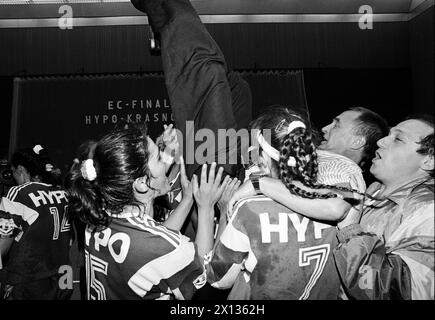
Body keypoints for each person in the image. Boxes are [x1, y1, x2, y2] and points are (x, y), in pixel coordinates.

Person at [206, 107, 358, 299]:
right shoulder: (339, 196)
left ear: (264, 157)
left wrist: (224, 213)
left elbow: (218, 279)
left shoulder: (249, 209)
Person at [65, 125, 229, 300]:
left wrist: (187, 198)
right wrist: (209, 208)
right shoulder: (160, 246)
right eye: (159, 157)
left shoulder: (98, 217)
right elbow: (206, 283)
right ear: (141, 184)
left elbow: (156, 238)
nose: (165, 162)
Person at [334, 114, 434, 300]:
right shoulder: (372, 193)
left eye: (398, 139)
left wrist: (350, 231)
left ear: (429, 161)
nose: (380, 141)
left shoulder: (426, 211)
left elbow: (400, 292)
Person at [0, 145, 72, 300]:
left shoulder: (19, 193)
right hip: (64, 277)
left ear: (20, 169)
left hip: (29, 280)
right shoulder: (64, 193)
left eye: (13, 172)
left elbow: (3, 242)